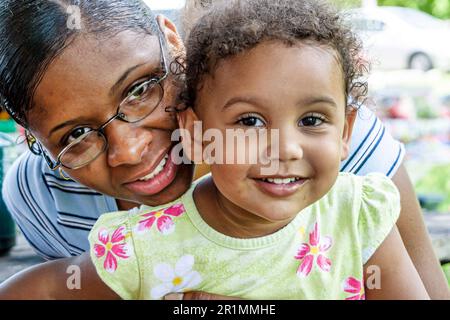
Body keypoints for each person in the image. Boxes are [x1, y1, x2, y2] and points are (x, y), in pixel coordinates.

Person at [0, 0, 447, 299]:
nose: (131, 150)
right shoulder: (67, 211)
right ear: (31, 137)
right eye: (74, 135)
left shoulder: (339, 171)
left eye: (140, 88)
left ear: (172, 42)